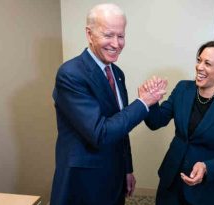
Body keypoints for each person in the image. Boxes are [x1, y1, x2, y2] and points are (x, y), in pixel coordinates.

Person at [50, 3, 164, 205]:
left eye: (121, 36)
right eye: (108, 35)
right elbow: (100, 133)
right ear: (89, 34)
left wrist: (127, 168)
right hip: (83, 182)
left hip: (113, 175)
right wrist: (143, 102)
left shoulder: (117, 74)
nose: (116, 43)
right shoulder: (71, 74)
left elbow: (121, 127)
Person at [143, 41, 214, 205]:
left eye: (207, 63)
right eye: (199, 60)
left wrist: (207, 167)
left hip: (207, 190)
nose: (199, 67)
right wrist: (150, 101)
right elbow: (155, 122)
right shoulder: (182, 89)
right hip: (171, 180)